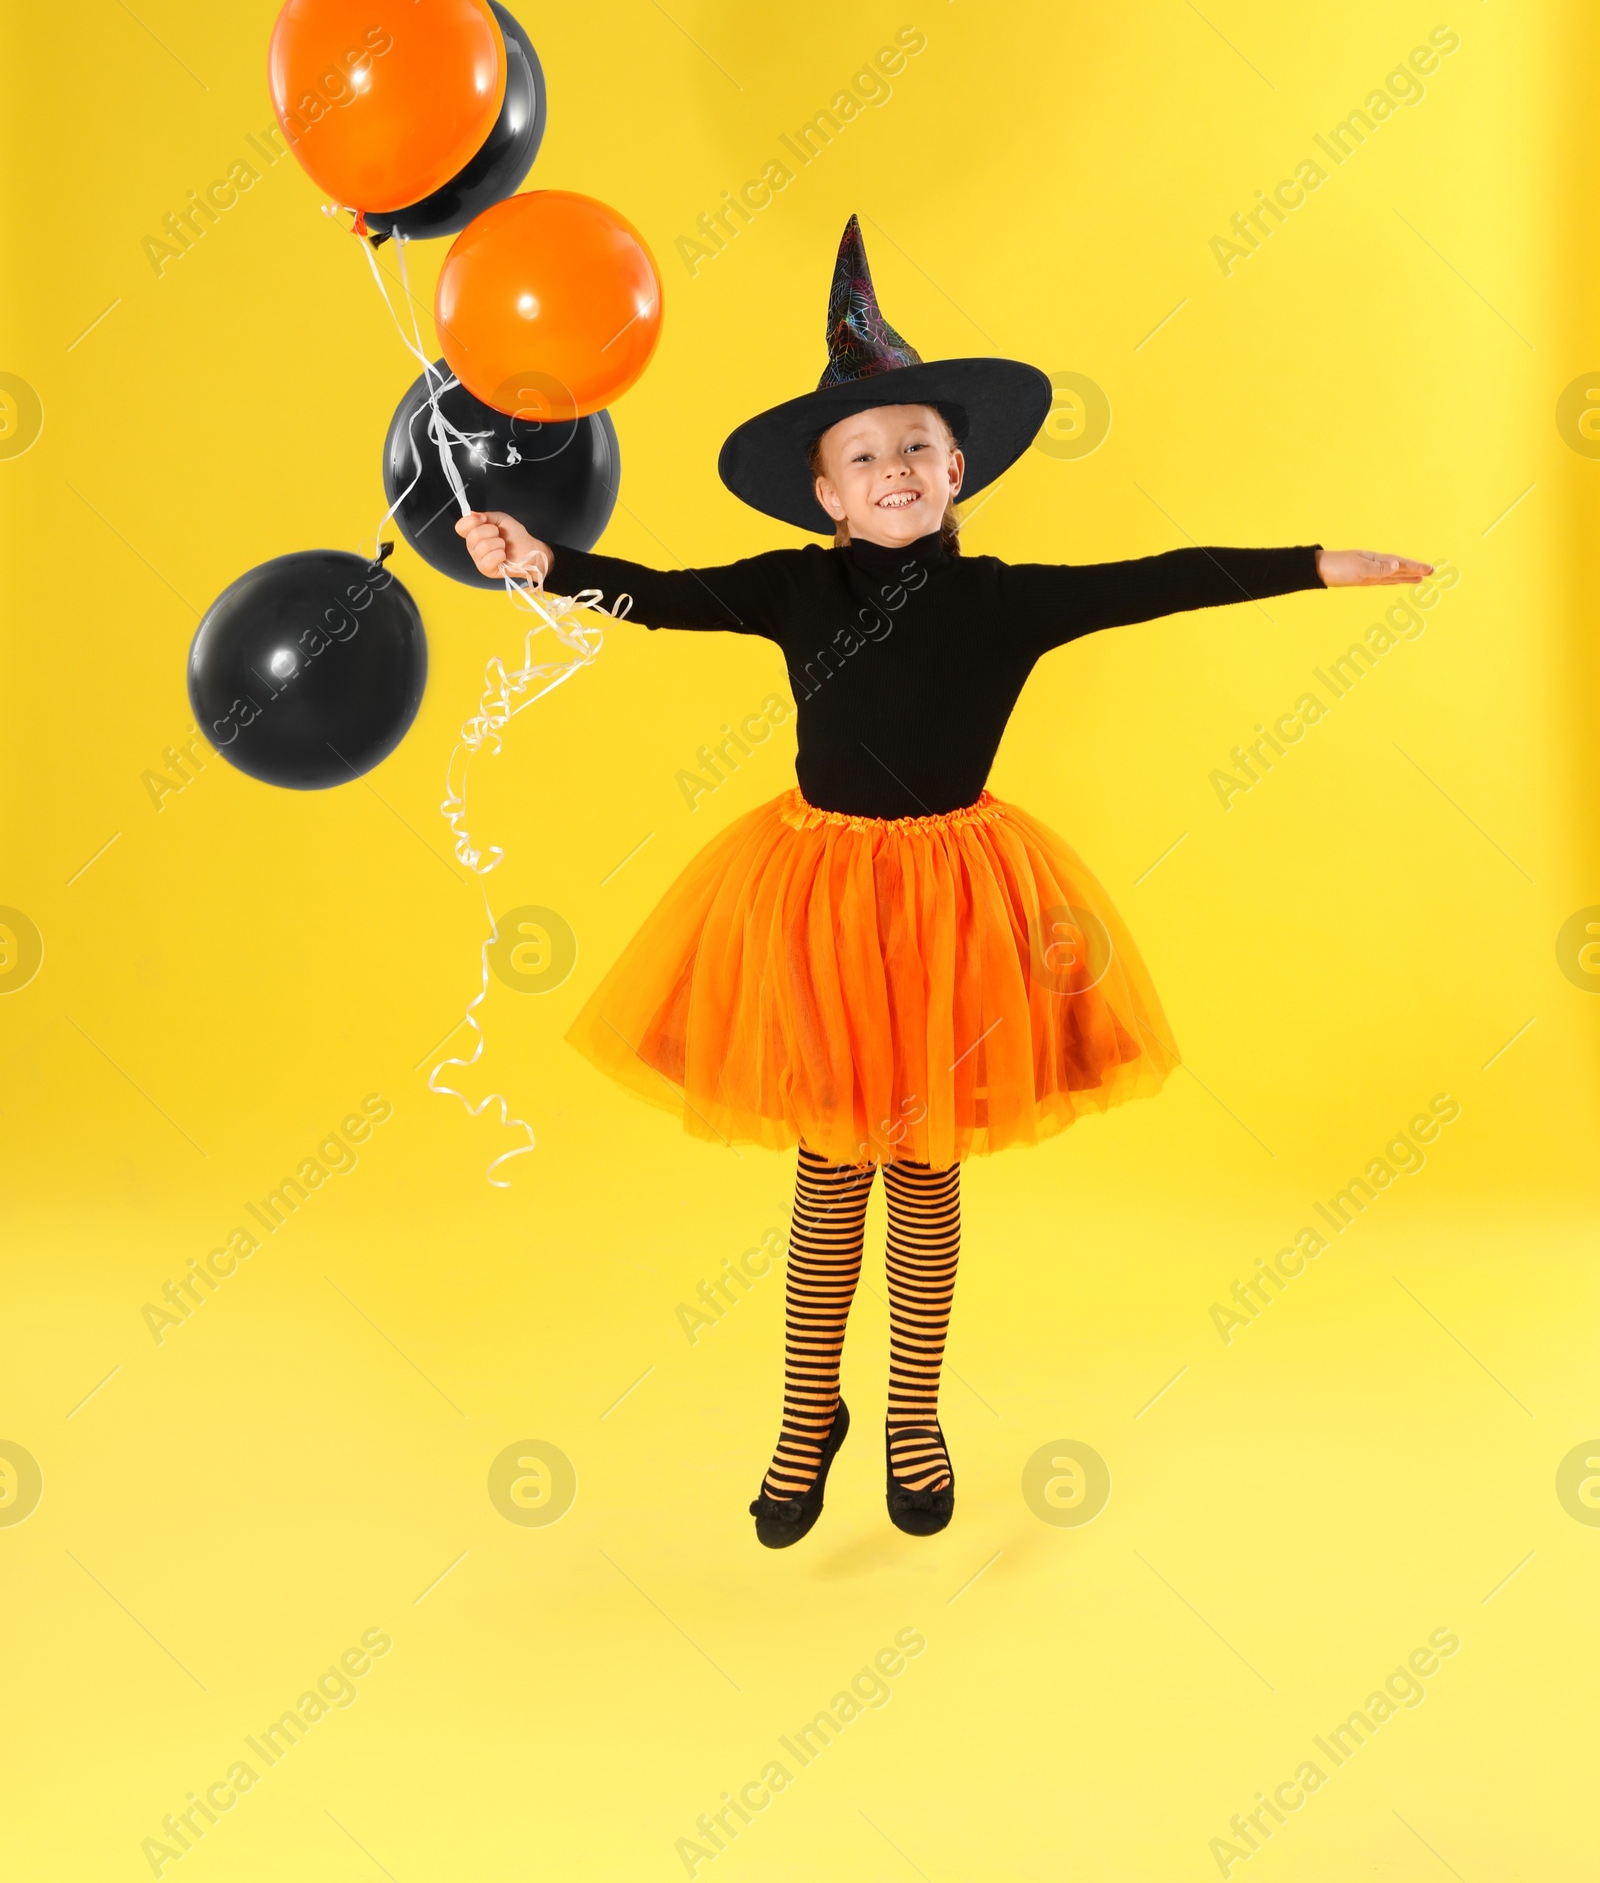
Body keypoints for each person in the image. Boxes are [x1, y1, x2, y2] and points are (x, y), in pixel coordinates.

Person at [457, 214, 1430, 1547]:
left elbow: (1160, 581)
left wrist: (1316, 566)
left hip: (959, 911)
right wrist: (549, 566)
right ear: (828, 496)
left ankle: (911, 1412)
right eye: (864, 455)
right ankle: (811, 1412)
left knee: (924, 1171)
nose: (895, 466)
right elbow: (662, 594)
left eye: (917, 444)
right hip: (816, 904)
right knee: (825, 1174)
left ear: (958, 467)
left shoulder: (1004, 603)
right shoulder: (789, 592)